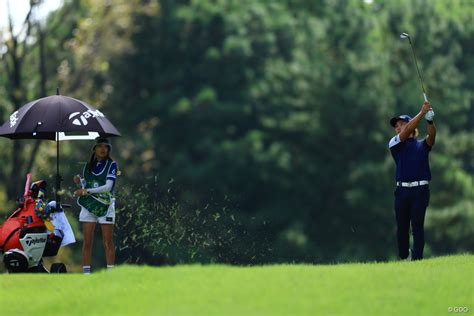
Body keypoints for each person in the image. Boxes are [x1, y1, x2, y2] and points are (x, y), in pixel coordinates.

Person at [388, 101, 436, 261]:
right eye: (396, 126)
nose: (398, 127)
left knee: (417, 227)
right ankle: (404, 257)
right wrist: (422, 113)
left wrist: (429, 121)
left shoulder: (422, 145)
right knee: (402, 228)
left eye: (402, 124)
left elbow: (432, 137)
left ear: (412, 126)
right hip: (401, 192)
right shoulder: (395, 144)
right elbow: (407, 130)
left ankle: (417, 259)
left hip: (420, 191)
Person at [73, 137, 118, 274]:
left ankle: (110, 274)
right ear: (94, 149)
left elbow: (108, 187)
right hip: (89, 206)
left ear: (108, 149)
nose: (103, 149)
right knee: (87, 242)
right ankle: (87, 275)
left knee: (108, 241)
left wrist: (86, 191)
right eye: (100, 146)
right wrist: (78, 183)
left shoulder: (112, 165)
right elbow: (85, 186)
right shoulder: (87, 166)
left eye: (106, 147)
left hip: (105, 206)